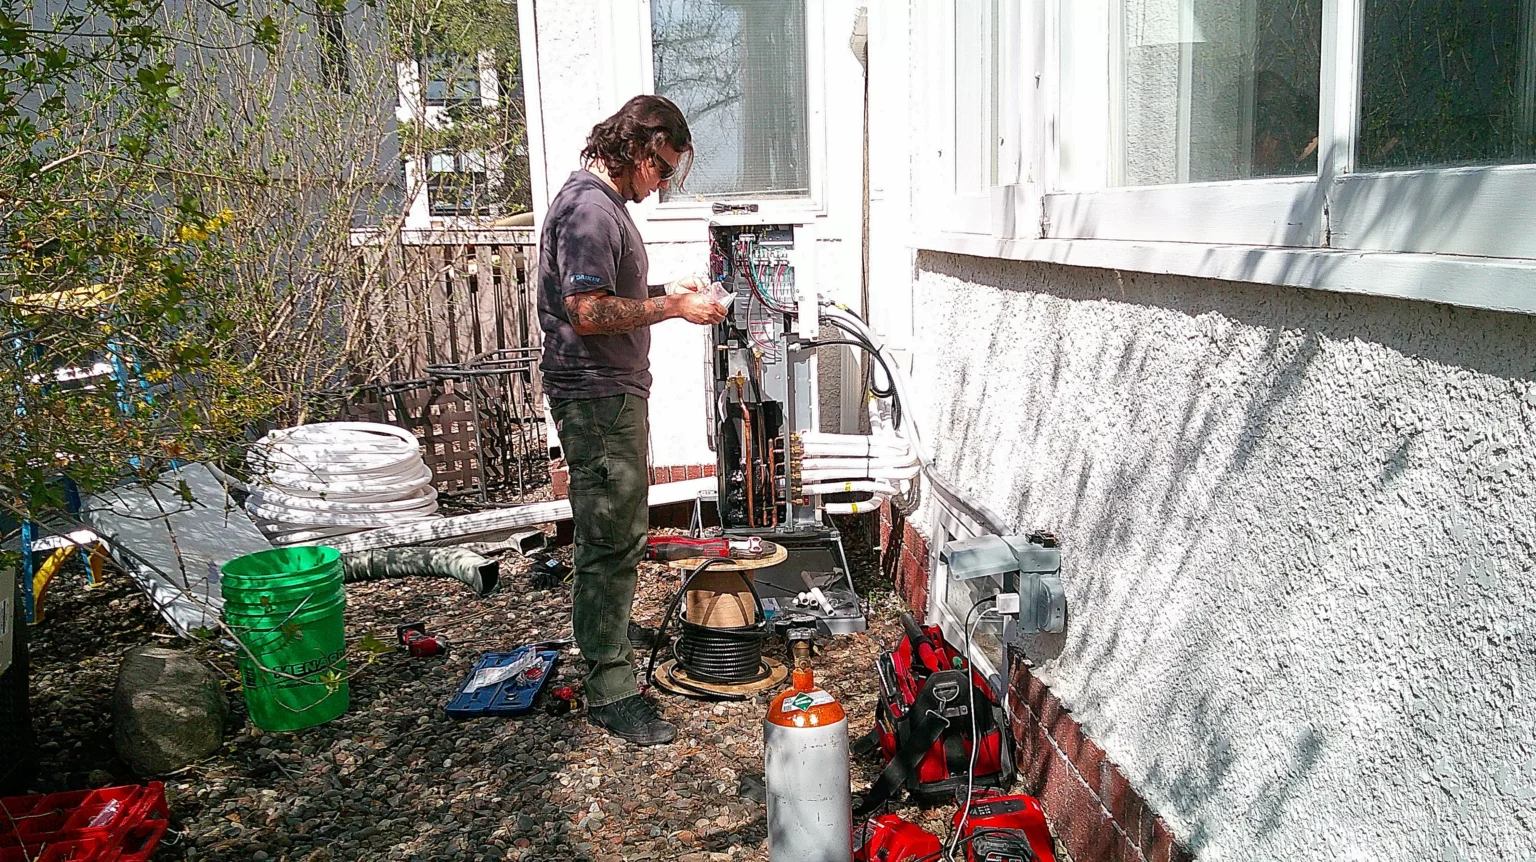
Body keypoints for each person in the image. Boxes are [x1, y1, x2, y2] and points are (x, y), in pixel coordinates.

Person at [536, 95, 727, 745]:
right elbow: (587, 312)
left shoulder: (601, 205)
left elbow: (604, 296)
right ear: (637, 150)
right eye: (662, 168)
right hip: (596, 400)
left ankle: (610, 636)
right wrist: (673, 311)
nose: (663, 182)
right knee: (609, 541)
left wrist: (667, 293)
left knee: (619, 532)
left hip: (609, 397)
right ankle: (610, 688)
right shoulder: (589, 210)